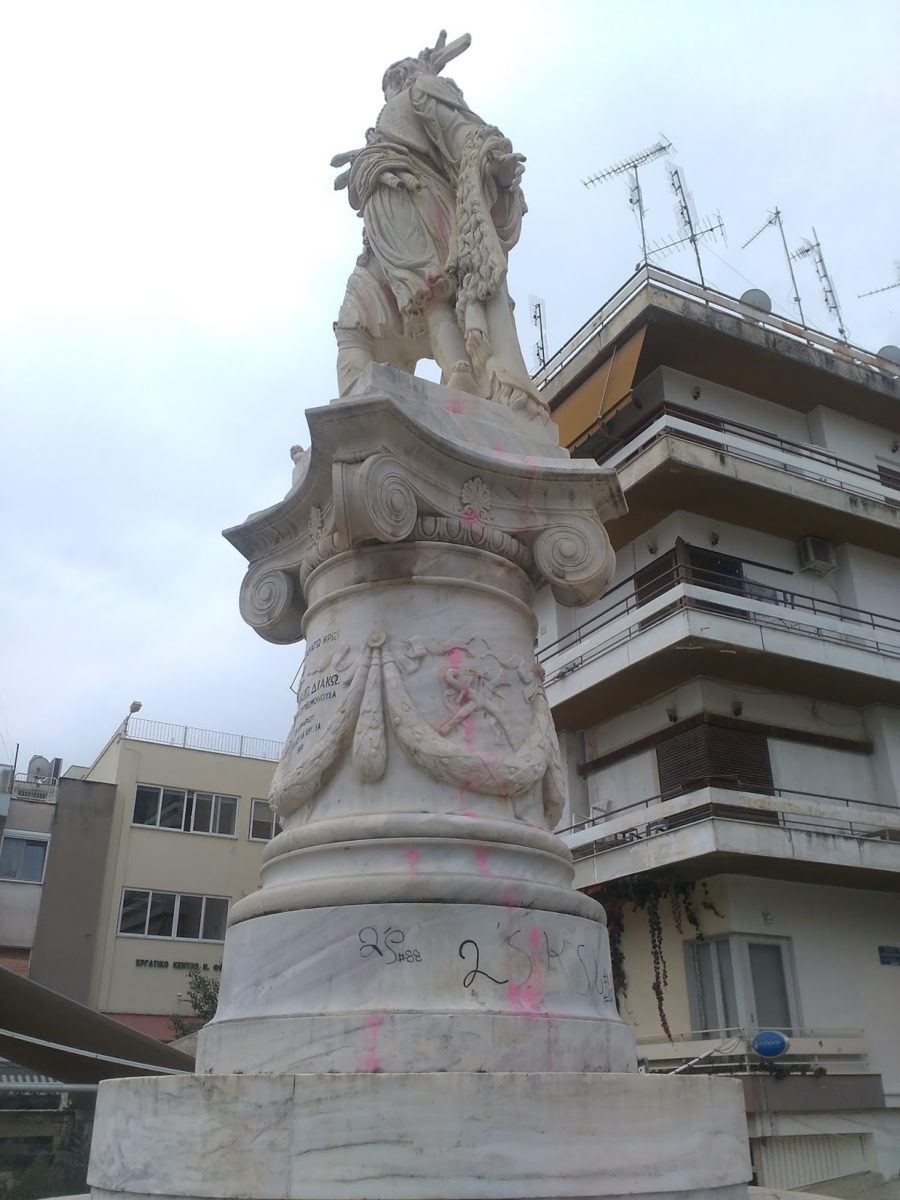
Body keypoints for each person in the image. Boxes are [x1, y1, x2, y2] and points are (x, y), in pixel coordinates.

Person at [332, 32, 546, 420]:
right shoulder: (389, 121)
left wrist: (492, 164)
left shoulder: (423, 90)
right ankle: (354, 419)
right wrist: (367, 161)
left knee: (430, 293)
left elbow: (464, 134)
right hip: (378, 242)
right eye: (389, 82)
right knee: (354, 320)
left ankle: (460, 373)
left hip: (417, 206)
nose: (391, 86)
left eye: (397, 76)